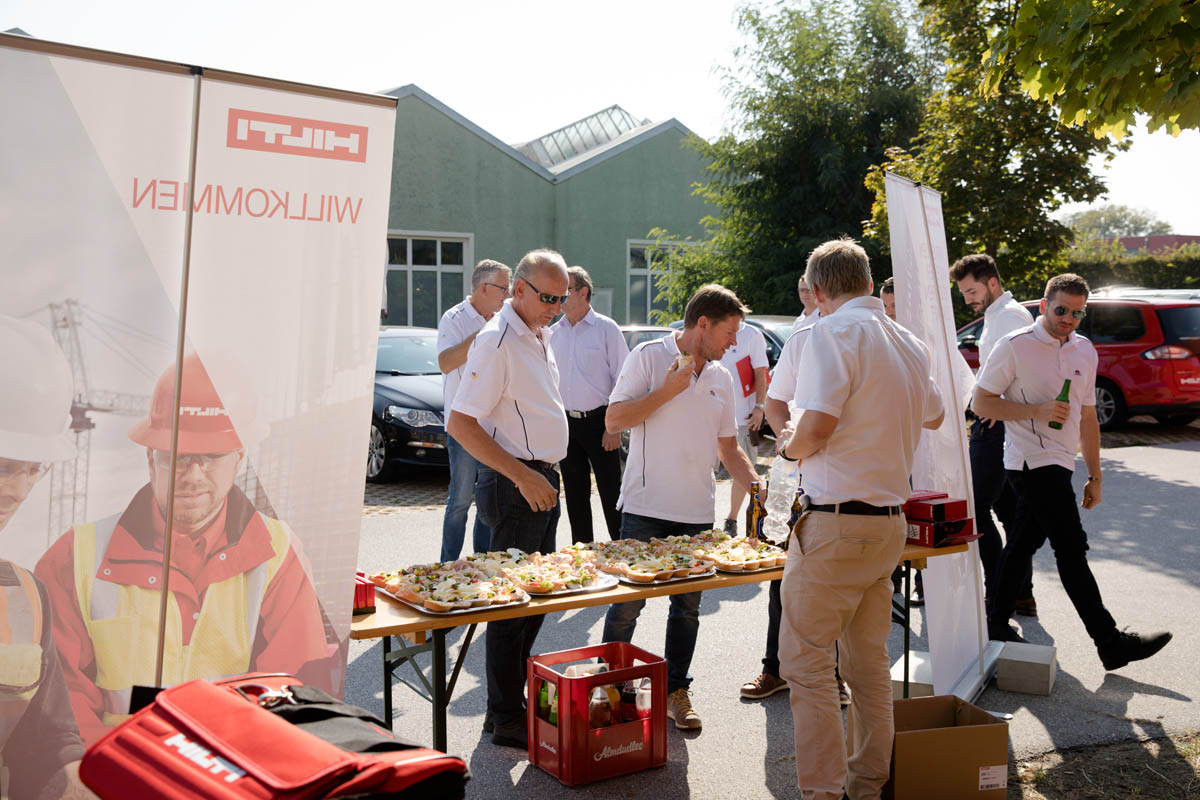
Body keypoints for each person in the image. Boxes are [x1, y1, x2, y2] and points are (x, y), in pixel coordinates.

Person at [36, 353, 332, 746]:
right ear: (151, 457)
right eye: (178, 457)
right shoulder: (74, 557)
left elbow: (293, 693)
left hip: (229, 768)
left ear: (239, 459)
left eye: (211, 457)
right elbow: (59, 705)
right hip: (114, 769)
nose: (193, 475)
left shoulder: (279, 556)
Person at [779, 238, 945, 799]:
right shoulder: (908, 341)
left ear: (816, 292)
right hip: (887, 523)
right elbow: (935, 414)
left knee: (807, 667)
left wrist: (788, 446)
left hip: (837, 522)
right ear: (870, 284)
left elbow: (816, 428)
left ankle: (824, 793)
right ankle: (868, 785)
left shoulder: (831, 332)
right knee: (868, 665)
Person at [974, 273, 1172, 670]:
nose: (1068, 319)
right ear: (1044, 305)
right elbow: (981, 403)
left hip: (1061, 463)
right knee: (1071, 547)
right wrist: (1037, 410)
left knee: (1022, 543)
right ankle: (1109, 642)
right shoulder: (1013, 345)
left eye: (1077, 313)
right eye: (1061, 309)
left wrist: (1095, 476)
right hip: (1030, 463)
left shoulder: (1084, 349)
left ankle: (994, 622)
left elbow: (1087, 418)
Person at [603, 284, 760, 731]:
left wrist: (757, 487)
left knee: (687, 610)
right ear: (703, 324)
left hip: (697, 514)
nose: (734, 343)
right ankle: (610, 690)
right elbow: (614, 420)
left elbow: (729, 448)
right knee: (627, 607)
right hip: (644, 508)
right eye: (729, 333)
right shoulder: (648, 356)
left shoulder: (722, 377)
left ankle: (676, 691)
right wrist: (668, 390)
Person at [446, 249, 570, 749]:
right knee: (511, 605)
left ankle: (505, 708)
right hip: (517, 483)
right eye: (548, 298)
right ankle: (505, 715)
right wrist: (523, 476)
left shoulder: (536, 331)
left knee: (535, 600)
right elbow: (460, 423)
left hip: (540, 479)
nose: (556, 308)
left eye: (562, 299)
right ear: (518, 289)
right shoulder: (497, 339)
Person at [742, 311, 851, 707]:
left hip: (845, 489)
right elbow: (775, 401)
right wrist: (790, 445)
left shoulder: (869, 339)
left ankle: (834, 675)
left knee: (833, 589)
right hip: (799, 479)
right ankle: (774, 668)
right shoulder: (804, 338)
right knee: (782, 577)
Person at [0, 315, 88, 799]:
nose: (17, 491)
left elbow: (47, 747)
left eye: (33, 469)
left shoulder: (26, 601)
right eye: (3, 466)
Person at [950, 253, 1037, 615]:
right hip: (998, 422)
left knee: (976, 508)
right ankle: (1020, 594)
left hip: (997, 423)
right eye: (964, 293)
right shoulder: (998, 315)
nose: (967, 299)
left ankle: (999, 593)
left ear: (992, 283)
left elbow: (1021, 370)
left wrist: (992, 404)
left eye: (972, 291)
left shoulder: (1010, 316)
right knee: (1008, 510)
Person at [436, 259, 512, 562]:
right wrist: (482, 335)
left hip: (493, 425)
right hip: (463, 426)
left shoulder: (503, 319)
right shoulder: (454, 318)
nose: (507, 295)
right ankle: (447, 565)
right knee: (459, 501)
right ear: (484, 288)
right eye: (503, 288)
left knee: (488, 500)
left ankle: (481, 564)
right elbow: (445, 363)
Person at [549, 266, 629, 544]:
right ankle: (582, 552)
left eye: (565, 292)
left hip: (602, 422)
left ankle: (623, 549)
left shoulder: (606, 329)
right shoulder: (553, 333)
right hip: (567, 425)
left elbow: (624, 380)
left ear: (583, 292)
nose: (559, 299)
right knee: (575, 494)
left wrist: (614, 427)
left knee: (612, 492)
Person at [718, 319, 768, 534]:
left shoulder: (752, 334)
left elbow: (760, 372)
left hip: (742, 417)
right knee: (705, 469)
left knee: (742, 471)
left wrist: (759, 407)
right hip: (713, 413)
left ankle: (732, 519)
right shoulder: (714, 328)